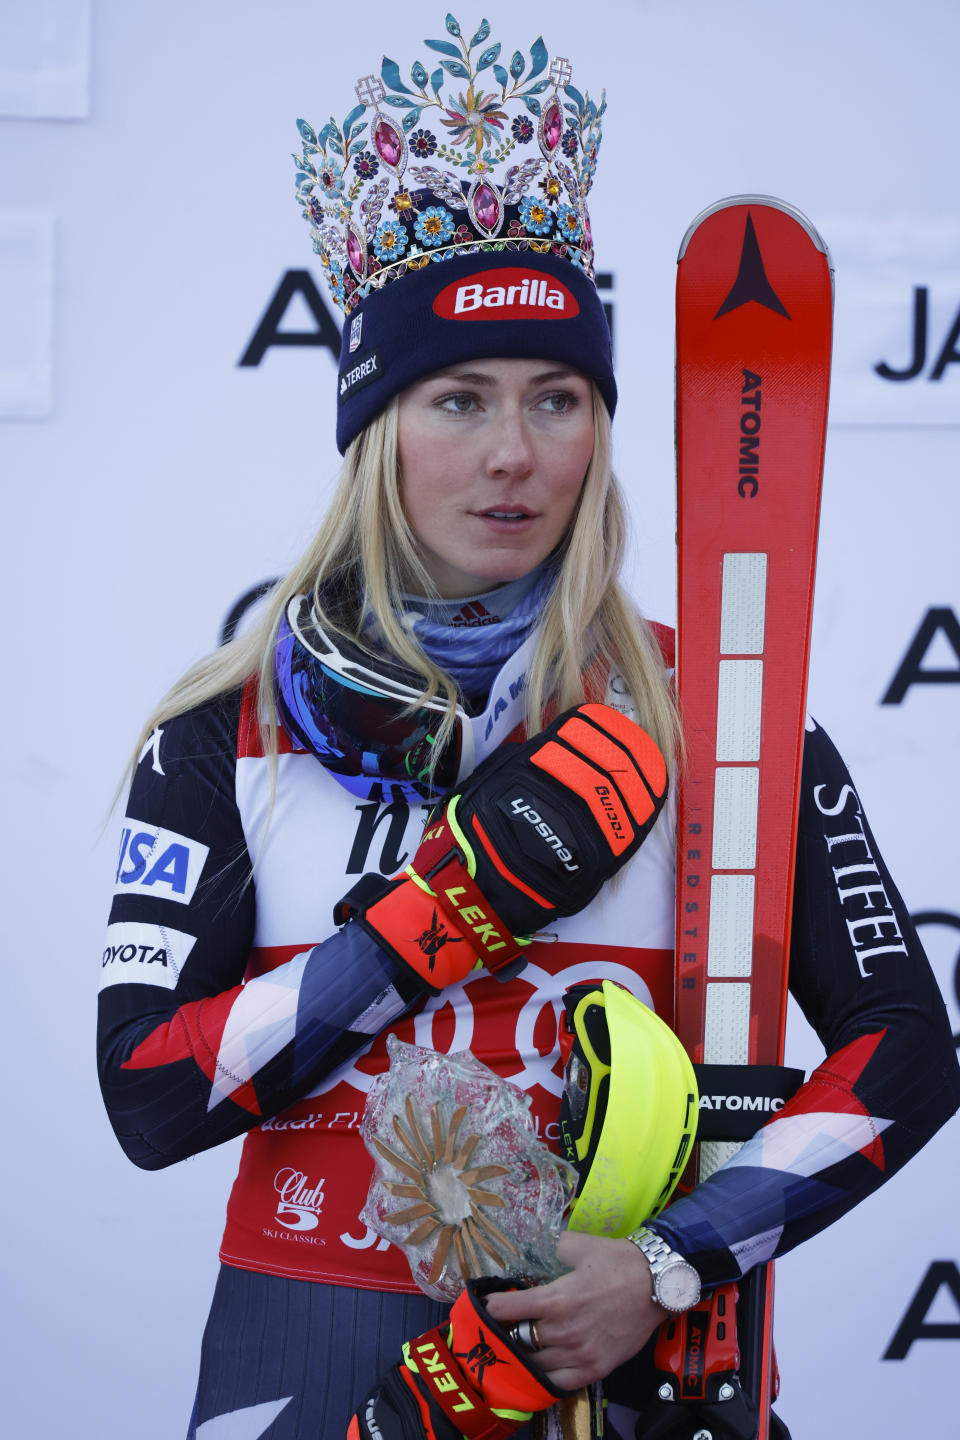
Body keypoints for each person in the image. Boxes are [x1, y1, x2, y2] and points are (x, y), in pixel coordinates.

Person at [97, 17, 960, 1440]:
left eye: (559, 399)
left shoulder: (721, 715)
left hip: (633, 1360)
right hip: (307, 1348)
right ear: (381, 431)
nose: (514, 453)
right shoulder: (222, 728)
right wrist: (438, 919)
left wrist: (679, 1259)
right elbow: (148, 1092)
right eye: (461, 399)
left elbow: (906, 1052)